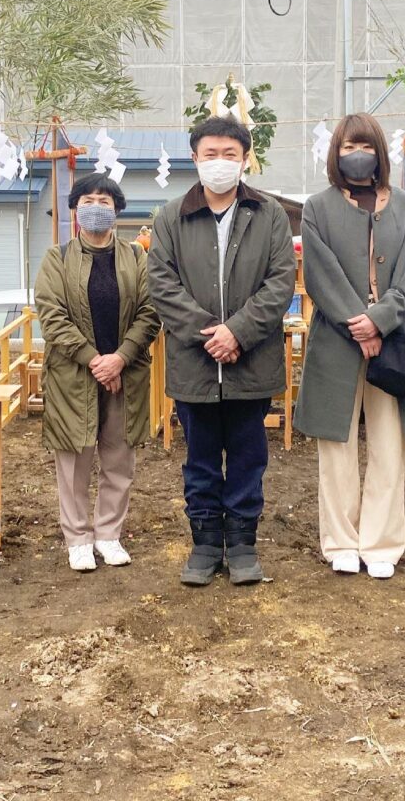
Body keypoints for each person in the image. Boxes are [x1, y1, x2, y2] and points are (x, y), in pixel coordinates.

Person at [293, 113, 405, 580]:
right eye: (345, 146)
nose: (354, 153)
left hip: (394, 336)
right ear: (334, 154)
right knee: (334, 445)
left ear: (378, 150)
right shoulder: (316, 207)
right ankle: (340, 539)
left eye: (362, 145)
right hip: (337, 341)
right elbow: (319, 274)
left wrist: (379, 322)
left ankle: (381, 542)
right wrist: (356, 324)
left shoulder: (402, 204)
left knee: (387, 441)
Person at [148, 116, 296, 586]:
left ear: (245, 159)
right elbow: (162, 284)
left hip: (251, 363)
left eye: (229, 155)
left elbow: (280, 283)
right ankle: (206, 544)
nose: (219, 163)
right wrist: (209, 333)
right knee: (201, 460)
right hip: (194, 365)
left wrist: (238, 333)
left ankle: (244, 545)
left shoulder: (268, 213)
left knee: (250, 457)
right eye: (210, 154)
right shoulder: (172, 217)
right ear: (194, 158)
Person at [34, 173, 161, 572]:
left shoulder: (137, 258)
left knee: (119, 458)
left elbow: (150, 311)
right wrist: (94, 360)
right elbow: (52, 318)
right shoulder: (57, 259)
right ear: (75, 210)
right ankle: (77, 538)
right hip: (73, 375)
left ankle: (108, 534)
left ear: (117, 210)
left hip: (126, 374)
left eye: (104, 202)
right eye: (87, 200)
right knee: (73, 458)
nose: (95, 208)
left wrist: (119, 358)